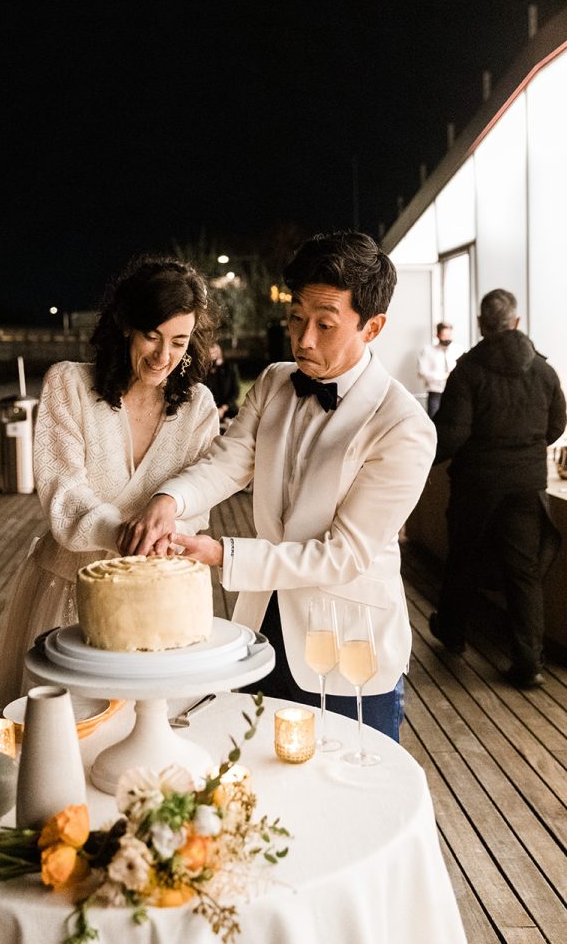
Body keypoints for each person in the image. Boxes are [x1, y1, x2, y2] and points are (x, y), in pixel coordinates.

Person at [118, 230, 437, 742]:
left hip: (347, 647)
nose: (303, 339)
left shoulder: (405, 426)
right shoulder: (273, 382)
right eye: (296, 318)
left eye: (325, 325)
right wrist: (168, 501)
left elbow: (343, 555)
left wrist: (223, 553)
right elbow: (225, 464)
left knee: (346, 798)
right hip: (261, 631)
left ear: (373, 327)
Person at [0, 255, 220, 709]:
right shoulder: (68, 385)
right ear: (125, 325)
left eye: (179, 341)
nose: (163, 356)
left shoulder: (199, 408)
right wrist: (122, 533)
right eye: (152, 336)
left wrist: (164, 536)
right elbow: (63, 494)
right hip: (68, 591)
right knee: (62, 740)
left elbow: (195, 510)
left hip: (160, 602)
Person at [428, 289, 565, 688]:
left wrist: (421, 461)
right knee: (524, 574)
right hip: (527, 485)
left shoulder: (468, 371)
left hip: (477, 484)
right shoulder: (543, 371)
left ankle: (452, 633)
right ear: (516, 323)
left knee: (463, 558)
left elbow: (453, 434)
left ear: (481, 325)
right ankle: (529, 663)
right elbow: (557, 425)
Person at [417, 322, 464, 417]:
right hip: (435, 393)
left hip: (455, 392)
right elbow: (422, 372)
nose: (447, 338)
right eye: (444, 335)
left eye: (449, 335)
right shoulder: (427, 350)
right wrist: (442, 376)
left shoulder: (459, 349)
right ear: (438, 335)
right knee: (434, 421)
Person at [204, 341, 241, 427]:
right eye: (209, 352)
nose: (212, 354)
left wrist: (223, 409)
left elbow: (235, 392)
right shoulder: (204, 371)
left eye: (214, 351)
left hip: (229, 410)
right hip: (211, 411)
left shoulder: (230, 368)